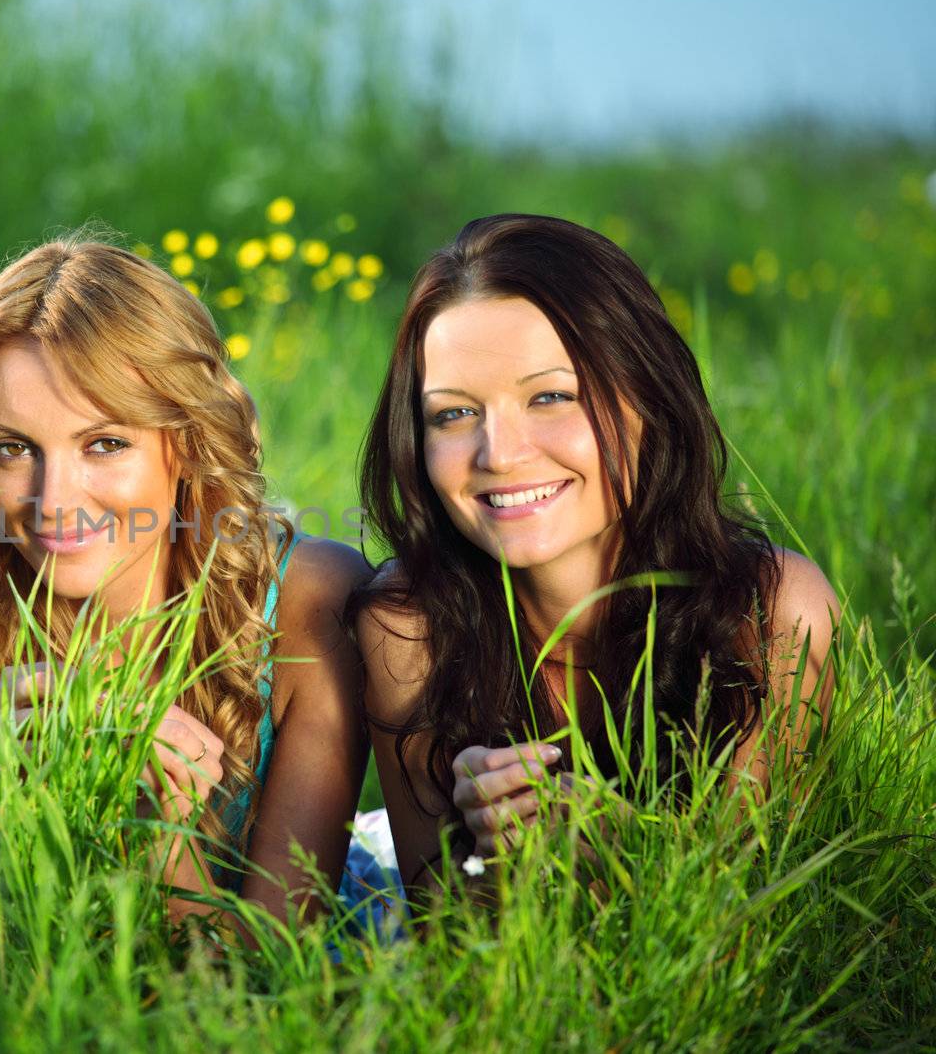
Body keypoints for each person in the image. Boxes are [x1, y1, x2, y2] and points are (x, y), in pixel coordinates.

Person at [0, 234, 371, 925]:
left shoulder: (307, 601)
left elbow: (261, 975)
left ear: (187, 439)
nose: (55, 499)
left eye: (105, 443)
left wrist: (157, 818)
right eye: (13, 448)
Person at [351, 214, 838, 895]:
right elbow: (448, 955)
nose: (500, 453)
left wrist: (617, 848)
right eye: (455, 414)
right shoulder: (407, 623)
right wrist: (483, 862)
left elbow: (748, 934)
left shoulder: (776, 611)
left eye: (551, 397)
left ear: (649, 397)